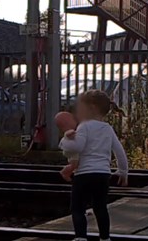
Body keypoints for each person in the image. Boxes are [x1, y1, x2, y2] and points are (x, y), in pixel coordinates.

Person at [59, 90, 128, 241]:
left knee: (78, 208)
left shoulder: (84, 126)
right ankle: (105, 238)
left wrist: (65, 139)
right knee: (100, 208)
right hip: (103, 174)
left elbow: (77, 147)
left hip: (83, 174)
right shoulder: (108, 129)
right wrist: (123, 172)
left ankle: (81, 237)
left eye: (80, 108)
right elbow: (119, 152)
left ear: (92, 108)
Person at [54, 111, 79, 182]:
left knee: (75, 163)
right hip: (72, 151)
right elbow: (69, 135)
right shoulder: (69, 131)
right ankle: (65, 172)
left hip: (71, 150)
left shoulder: (75, 129)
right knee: (74, 164)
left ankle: (68, 172)